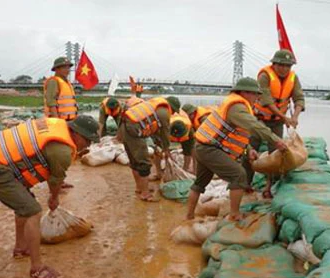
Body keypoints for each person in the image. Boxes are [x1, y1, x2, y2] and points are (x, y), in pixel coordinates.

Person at [0, 115, 99, 278]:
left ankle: (21, 248)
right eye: (88, 141)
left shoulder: (58, 125)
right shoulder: (62, 150)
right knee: (33, 211)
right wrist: (54, 199)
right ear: (78, 134)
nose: (88, 145)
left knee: (25, 205)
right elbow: (55, 180)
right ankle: (37, 268)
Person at [186, 77, 287, 221]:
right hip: (210, 149)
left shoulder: (234, 104)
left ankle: (189, 216)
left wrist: (249, 149)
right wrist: (276, 140)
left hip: (203, 147)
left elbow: (237, 136)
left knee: (199, 183)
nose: (257, 98)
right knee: (239, 175)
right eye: (255, 94)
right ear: (245, 93)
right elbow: (254, 126)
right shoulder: (237, 107)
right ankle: (234, 214)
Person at [248, 49, 306, 198]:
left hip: (277, 122)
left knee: (276, 153)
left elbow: (299, 98)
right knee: (250, 151)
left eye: (288, 66)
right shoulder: (264, 76)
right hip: (258, 120)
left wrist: (295, 116)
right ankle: (245, 184)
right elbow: (267, 101)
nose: (284, 69)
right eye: (281, 65)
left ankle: (270, 186)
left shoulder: (293, 78)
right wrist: (285, 117)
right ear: (274, 64)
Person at [119, 96, 180, 201]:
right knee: (144, 162)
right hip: (134, 130)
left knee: (134, 161)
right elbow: (165, 133)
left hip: (125, 128)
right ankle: (145, 194)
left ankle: (140, 188)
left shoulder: (155, 108)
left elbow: (153, 129)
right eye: (174, 111)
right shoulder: (164, 113)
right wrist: (166, 149)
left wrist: (158, 145)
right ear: (172, 107)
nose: (173, 114)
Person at [43, 57, 78, 121]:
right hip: (59, 121)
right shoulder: (53, 81)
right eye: (64, 68)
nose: (67, 70)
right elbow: (51, 102)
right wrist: (57, 121)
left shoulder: (67, 82)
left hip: (69, 120)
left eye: (68, 68)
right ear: (56, 69)